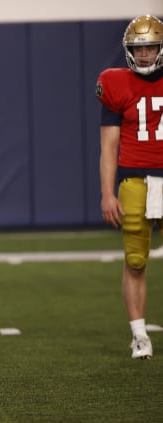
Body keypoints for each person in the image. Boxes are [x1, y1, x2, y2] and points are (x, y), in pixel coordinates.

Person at [96, 15, 163, 360]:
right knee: (135, 260)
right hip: (134, 177)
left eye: (150, 46)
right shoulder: (114, 83)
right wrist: (107, 192)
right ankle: (139, 336)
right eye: (139, 48)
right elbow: (108, 146)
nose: (145, 54)